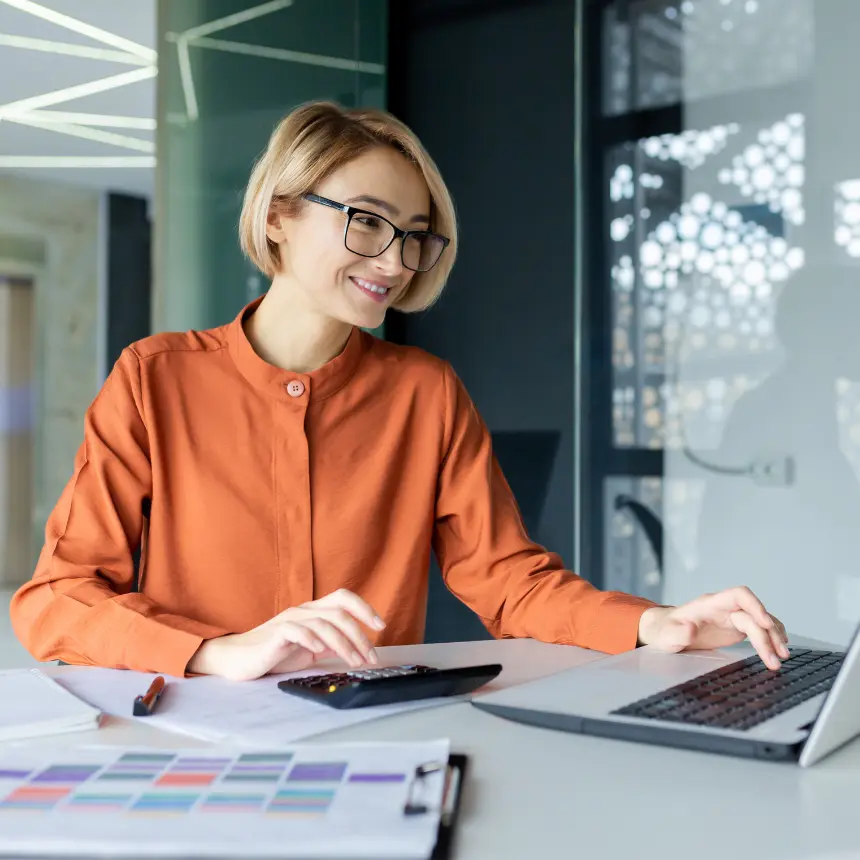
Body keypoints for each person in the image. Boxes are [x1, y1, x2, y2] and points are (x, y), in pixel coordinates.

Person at [10, 101, 789, 681]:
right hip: (196, 736)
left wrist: (655, 623)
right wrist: (219, 652)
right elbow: (55, 599)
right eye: (367, 221)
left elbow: (511, 582)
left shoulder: (426, 394)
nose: (396, 258)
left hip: (371, 737)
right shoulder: (155, 379)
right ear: (279, 215)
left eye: (415, 233)